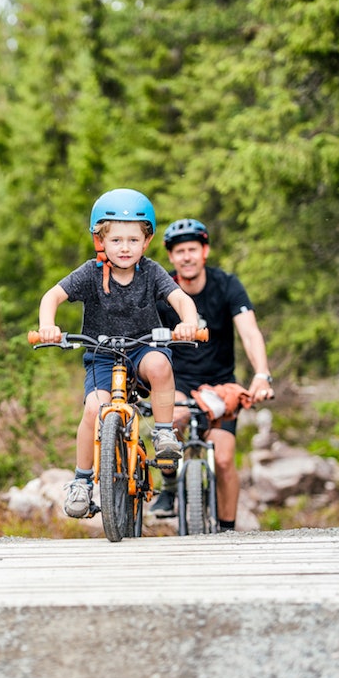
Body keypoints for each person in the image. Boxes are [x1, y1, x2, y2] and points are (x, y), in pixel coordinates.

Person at [37, 189, 200, 519]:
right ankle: (82, 481)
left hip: (142, 349)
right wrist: (47, 325)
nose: (124, 248)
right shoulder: (90, 273)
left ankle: (165, 431)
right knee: (93, 409)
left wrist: (189, 322)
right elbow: (51, 297)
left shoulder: (152, 273)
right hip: (101, 355)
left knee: (159, 363)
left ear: (146, 242)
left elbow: (181, 300)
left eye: (132, 240)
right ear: (100, 241)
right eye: (116, 240)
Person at [152, 217, 275, 530]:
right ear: (171, 256)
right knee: (174, 419)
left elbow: (249, 332)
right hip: (178, 381)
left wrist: (261, 374)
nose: (187, 256)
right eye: (180, 251)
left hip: (220, 387)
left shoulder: (227, 285)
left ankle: (227, 529)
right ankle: (168, 484)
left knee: (223, 460)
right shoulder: (162, 288)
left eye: (193, 249)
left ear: (204, 251)